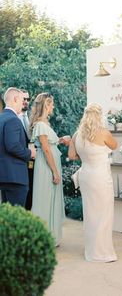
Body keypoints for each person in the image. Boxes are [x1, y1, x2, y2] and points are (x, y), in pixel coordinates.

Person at [68, 103, 118, 262]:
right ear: (99, 116)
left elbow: (72, 155)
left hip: (86, 176)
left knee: (90, 214)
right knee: (104, 214)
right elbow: (115, 146)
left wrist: (86, 156)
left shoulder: (76, 135)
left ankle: (91, 251)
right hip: (100, 177)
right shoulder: (104, 133)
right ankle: (103, 253)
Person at [29, 92, 69, 247]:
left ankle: (51, 235)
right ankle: (42, 238)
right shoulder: (40, 124)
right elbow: (45, 150)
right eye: (51, 104)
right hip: (46, 167)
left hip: (51, 164)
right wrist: (55, 171)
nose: (53, 107)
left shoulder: (45, 124)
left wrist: (60, 139)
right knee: (44, 199)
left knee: (52, 199)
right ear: (46, 105)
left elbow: (50, 144)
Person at [0, 87, 36, 206]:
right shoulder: (13, 120)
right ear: (15, 99)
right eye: (22, 100)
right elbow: (13, 146)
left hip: (4, 176)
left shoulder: (2, 118)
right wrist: (30, 153)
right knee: (16, 217)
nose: (23, 104)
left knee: (7, 217)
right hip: (15, 177)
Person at [18, 89, 34, 210]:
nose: (26, 102)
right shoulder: (14, 118)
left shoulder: (29, 118)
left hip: (31, 163)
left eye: (28, 99)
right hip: (18, 162)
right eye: (24, 99)